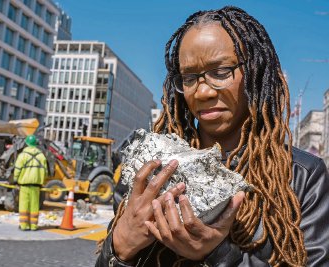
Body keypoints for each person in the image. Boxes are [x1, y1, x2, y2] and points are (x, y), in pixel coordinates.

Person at [96, 6, 329, 267]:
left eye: (220, 72)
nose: (203, 91)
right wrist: (119, 248)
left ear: (254, 72)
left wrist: (218, 254)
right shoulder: (148, 169)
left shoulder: (301, 176)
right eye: (189, 77)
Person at [13, 134, 48, 231]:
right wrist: (42, 181)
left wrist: (15, 179)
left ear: (27, 144)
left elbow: (17, 169)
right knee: (34, 205)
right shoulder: (41, 156)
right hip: (36, 185)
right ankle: (34, 226)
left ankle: (24, 226)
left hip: (24, 185)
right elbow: (45, 171)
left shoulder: (22, 155)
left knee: (24, 205)